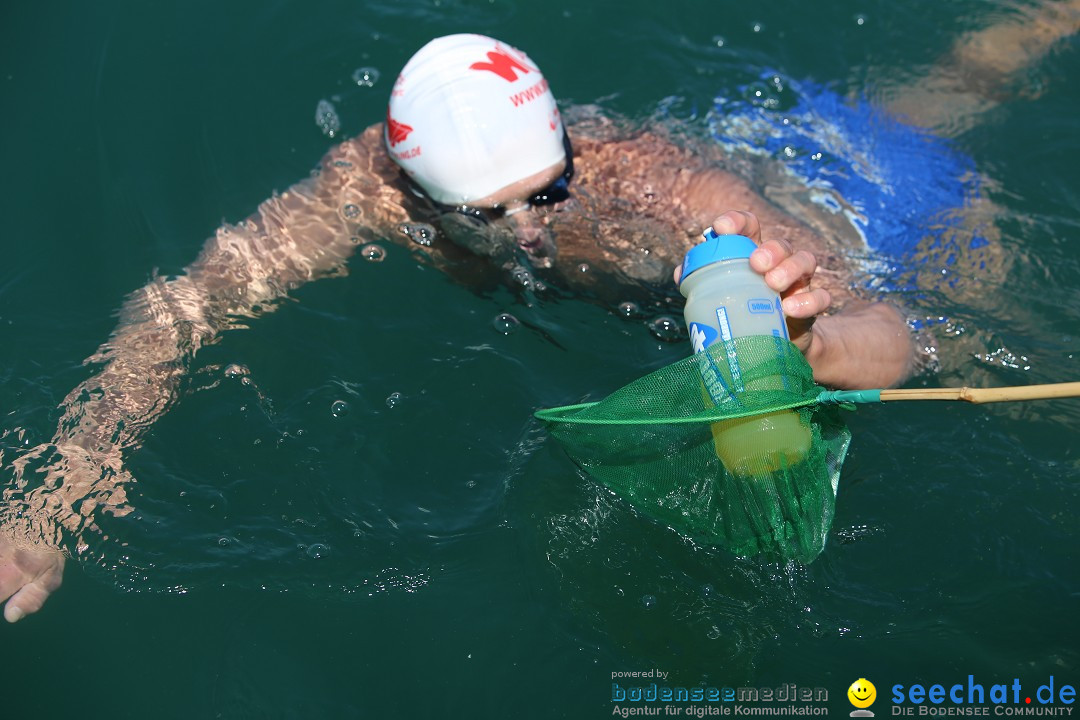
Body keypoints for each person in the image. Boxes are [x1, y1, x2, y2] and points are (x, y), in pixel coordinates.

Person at [3, 5, 1078, 622]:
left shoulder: (677, 195)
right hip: (792, 143)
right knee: (942, 87)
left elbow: (897, 334)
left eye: (547, 193)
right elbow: (177, 315)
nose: (526, 231)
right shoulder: (359, 190)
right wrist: (56, 490)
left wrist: (812, 341)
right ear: (412, 187)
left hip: (884, 213)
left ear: (569, 147)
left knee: (1018, 360)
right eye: (489, 213)